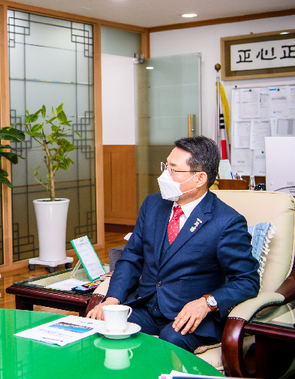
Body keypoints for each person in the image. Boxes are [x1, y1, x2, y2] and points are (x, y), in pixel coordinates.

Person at [87, 136, 259, 352]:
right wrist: (112, 299)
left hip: (189, 315)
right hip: (147, 306)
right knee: (99, 325)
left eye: (173, 170)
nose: (164, 175)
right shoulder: (152, 204)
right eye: (165, 166)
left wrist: (207, 303)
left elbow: (247, 280)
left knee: (171, 340)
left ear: (199, 179)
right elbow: (131, 258)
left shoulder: (226, 221)